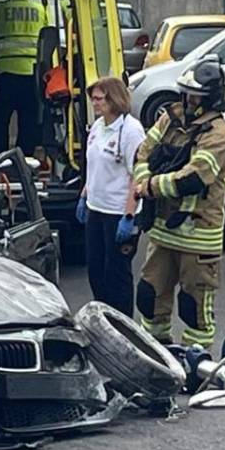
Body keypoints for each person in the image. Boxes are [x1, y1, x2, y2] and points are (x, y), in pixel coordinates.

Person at [132, 57, 225, 349]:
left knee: (193, 307)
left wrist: (150, 186)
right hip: (163, 231)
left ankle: (195, 363)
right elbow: (143, 153)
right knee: (150, 297)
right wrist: (144, 178)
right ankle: (156, 353)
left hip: (198, 236)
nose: (187, 101)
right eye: (186, 93)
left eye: (195, 96)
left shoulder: (218, 135)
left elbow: (194, 178)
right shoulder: (170, 119)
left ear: (210, 99)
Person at [78, 76, 146, 316]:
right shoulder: (98, 127)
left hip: (118, 213)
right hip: (97, 208)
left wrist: (129, 215)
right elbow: (94, 165)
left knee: (116, 275)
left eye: (99, 99)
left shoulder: (130, 131)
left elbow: (137, 175)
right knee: (96, 271)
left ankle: (123, 325)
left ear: (114, 99)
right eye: (93, 99)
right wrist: (85, 195)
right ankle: (103, 322)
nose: (95, 104)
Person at [0, 0, 49, 156]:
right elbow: (49, 35)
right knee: (28, 121)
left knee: (0, 120)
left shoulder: (0, 10)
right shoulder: (40, 9)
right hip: (32, 74)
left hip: (6, 74)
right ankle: (24, 158)